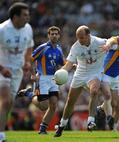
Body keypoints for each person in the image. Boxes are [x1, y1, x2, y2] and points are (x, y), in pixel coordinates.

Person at [54, 25, 109, 137]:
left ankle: (90, 122)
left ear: (89, 35)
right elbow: (69, 64)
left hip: (95, 73)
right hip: (80, 74)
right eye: (78, 37)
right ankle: (62, 125)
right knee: (70, 101)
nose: (79, 40)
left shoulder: (100, 42)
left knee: (94, 91)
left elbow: (114, 42)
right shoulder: (76, 47)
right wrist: (58, 74)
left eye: (82, 37)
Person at [17, 26, 65, 134]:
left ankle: (43, 129)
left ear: (59, 35)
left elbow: (63, 63)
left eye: (56, 34)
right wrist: (33, 74)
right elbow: (30, 59)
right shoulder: (43, 48)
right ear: (48, 35)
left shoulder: (59, 49)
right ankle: (29, 93)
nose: (54, 35)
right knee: (43, 106)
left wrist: (73, 65)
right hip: (42, 78)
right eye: (51, 34)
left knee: (53, 105)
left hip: (54, 79)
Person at [0, 2, 34, 142]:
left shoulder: (28, 29)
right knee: (6, 101)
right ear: (15, 16)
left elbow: (29, 47)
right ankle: (1, 136)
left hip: (17, 72)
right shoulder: (2, 29)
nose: (28, 18)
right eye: (25, 15)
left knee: (8, 104)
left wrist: (27, 62)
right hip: (2, 69)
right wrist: (2, 69)